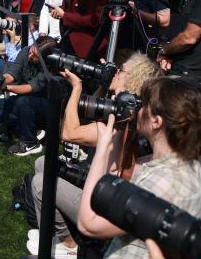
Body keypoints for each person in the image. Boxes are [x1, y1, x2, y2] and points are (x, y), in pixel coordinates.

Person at [27, 52, 162, 256]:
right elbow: (88, 116)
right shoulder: (127, 111)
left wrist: (77, 88)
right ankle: (64, 231)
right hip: (102, 186)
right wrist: (102, 85)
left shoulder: (122, 122)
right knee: (42, 163)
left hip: (106, 205)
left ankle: (68, 245)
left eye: (121, 70)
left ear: (134, 79)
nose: (115, 72)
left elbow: (68, 132)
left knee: (40, 183)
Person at [77, 76, 201, 258]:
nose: (138, 110)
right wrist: (119, 131)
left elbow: (88, 223)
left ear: (156, 122)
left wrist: (103, 147)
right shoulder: (188, 165)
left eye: (144, 106)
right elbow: (114, 175)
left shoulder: (163, 181)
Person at [0, 35, 58, 156]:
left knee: (23, 101)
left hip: (44, 106)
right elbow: (12, 74)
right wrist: (0, 80)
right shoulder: (25, 51)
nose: (30, 55)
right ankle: (31, 130)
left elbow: (29, 88)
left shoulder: (49, 67)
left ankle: (30, 142)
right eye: (32, 51)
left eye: (35, 56)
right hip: (24, 104)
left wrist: (6, 87)